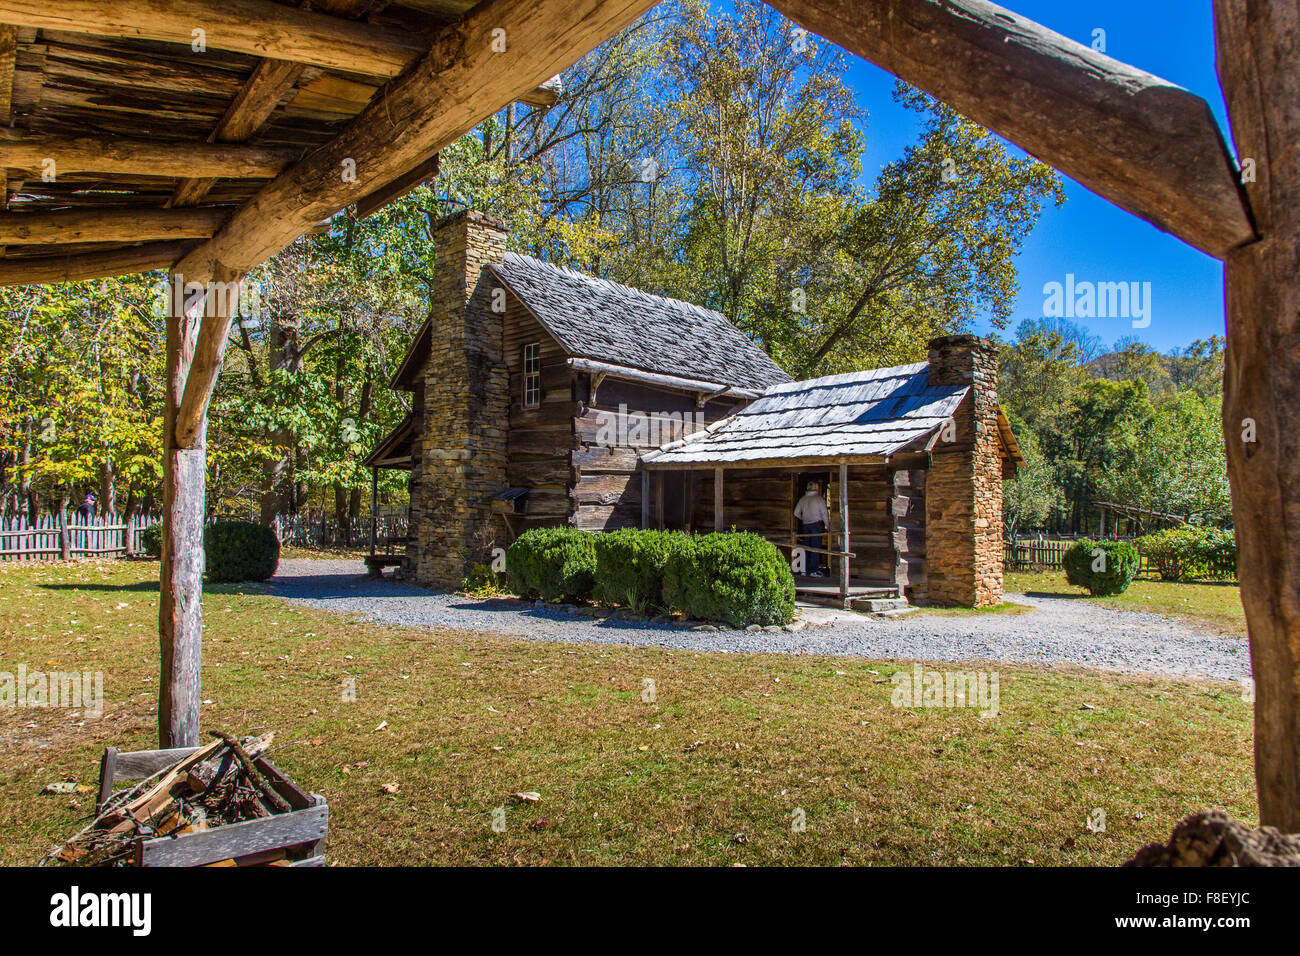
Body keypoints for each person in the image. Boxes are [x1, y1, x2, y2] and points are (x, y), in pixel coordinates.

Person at [793, 481, 829, 576]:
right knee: (815, 547)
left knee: (806, 547)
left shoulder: (803, 499)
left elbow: (796, 513)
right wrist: (828, 526)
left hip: (805, 525)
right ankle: (814, 570)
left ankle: (803, 570)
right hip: (816, 525)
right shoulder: (819, 499)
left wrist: (804, 518)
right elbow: (824, 514)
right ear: (817, 488)